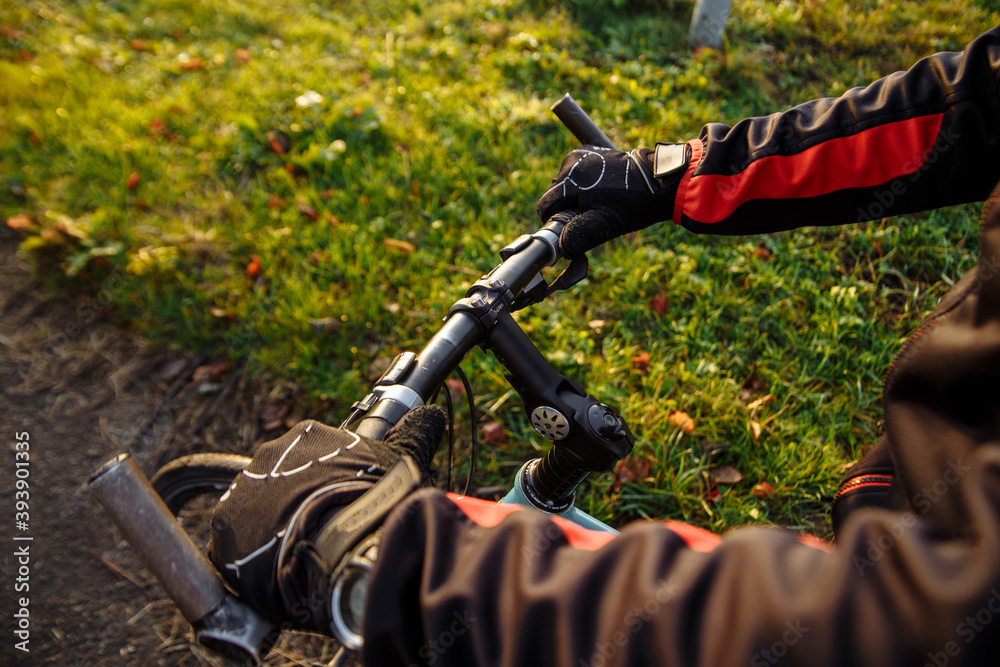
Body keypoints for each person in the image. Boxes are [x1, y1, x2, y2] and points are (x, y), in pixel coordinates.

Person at [208, 25, 1000, 666]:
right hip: (909, 498)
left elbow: (909, 626)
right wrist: (677, 173)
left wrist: (395, 564)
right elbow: (970, 104)